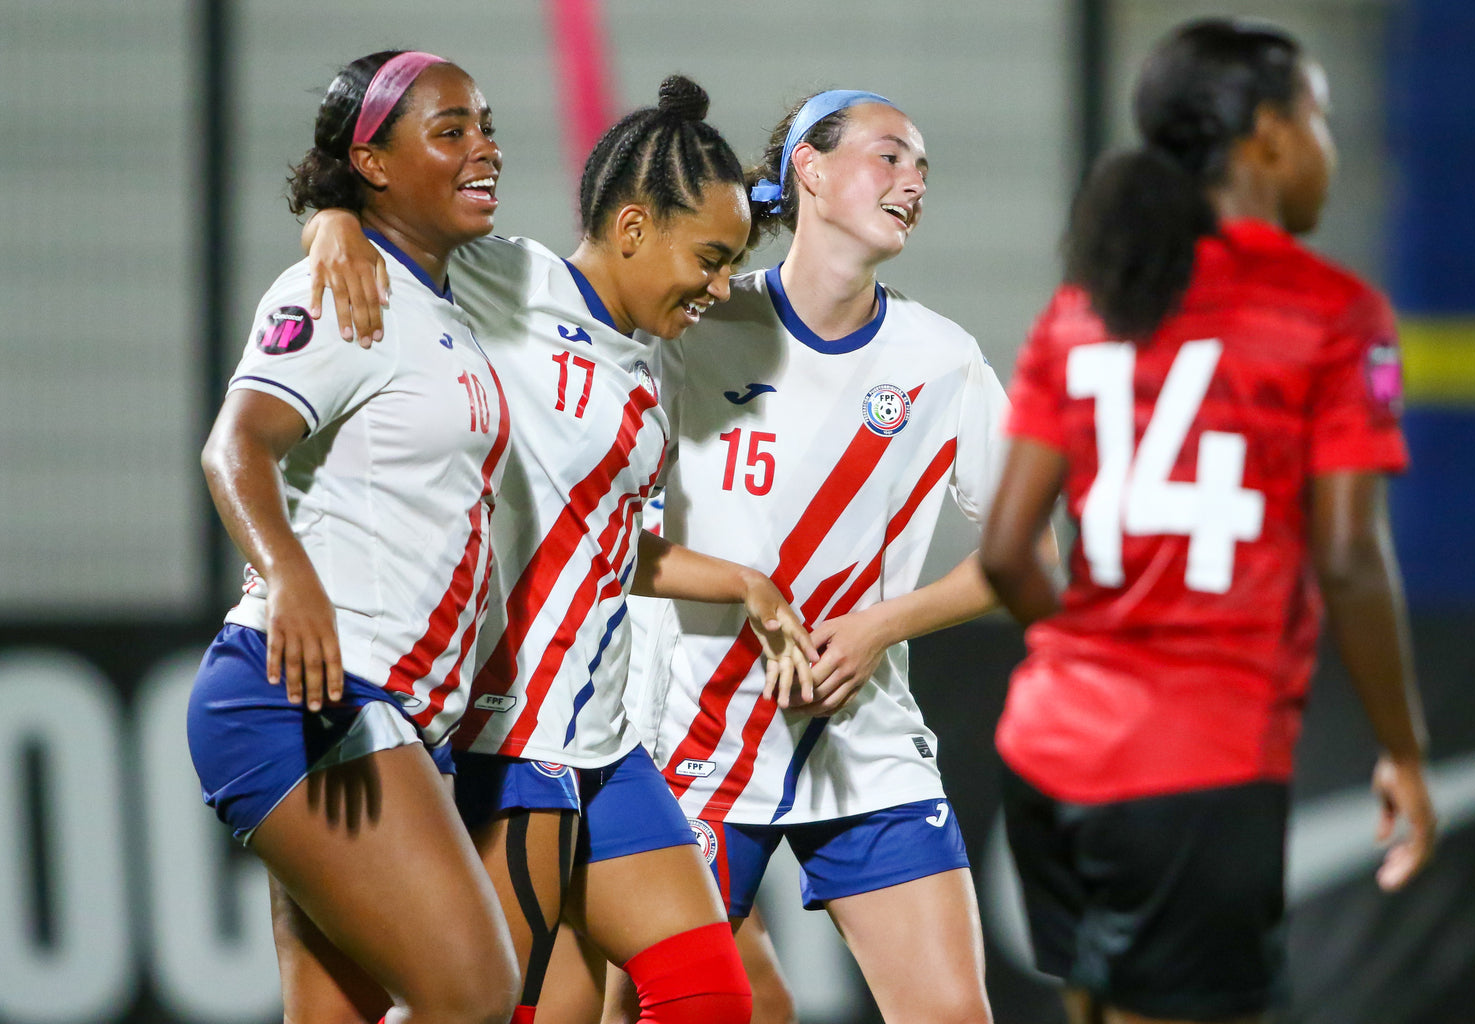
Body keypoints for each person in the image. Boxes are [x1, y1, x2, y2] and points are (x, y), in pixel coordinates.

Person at [302, 76, 818, 1024]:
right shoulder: (509, 281)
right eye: (708, 259)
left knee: (712, 997)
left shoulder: (645, 370)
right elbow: (389, 224)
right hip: (510, 729)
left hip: (604, 735)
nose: (718, 286)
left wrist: (747, 584)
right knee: (491, 1006)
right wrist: (334, 219)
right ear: (631, 230)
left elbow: (610, 547)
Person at [978, 18, 1439, 1024]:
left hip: (1048, 756)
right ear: (1269, 134)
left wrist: (1084, 652)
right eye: (1320, 116)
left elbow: (1009, 550)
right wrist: (1403, 749)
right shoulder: (1334, 313)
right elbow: (1352, 556)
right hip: (1195, 765)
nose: (1330, 145)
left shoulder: (1084, 306)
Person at [611, 88, 1030, 1024]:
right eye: (890, 155)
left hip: (864, 750)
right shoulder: (694, 329)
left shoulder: (941, 361)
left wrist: (885, 624)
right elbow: (611, 541)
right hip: (696, 748)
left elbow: (1026, 560)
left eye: (923, 167)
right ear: (809, 166)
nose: (914, 180)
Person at [188, 50, 520, 1024]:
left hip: (390, 706)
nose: (484, 147)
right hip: (314, 693)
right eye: (449, 129)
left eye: (486, 125)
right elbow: (234, 446)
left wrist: (331, 212)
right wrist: (287, 577)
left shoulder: (456, 291)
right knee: (474, 993)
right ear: (373, 164)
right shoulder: (343, 288)